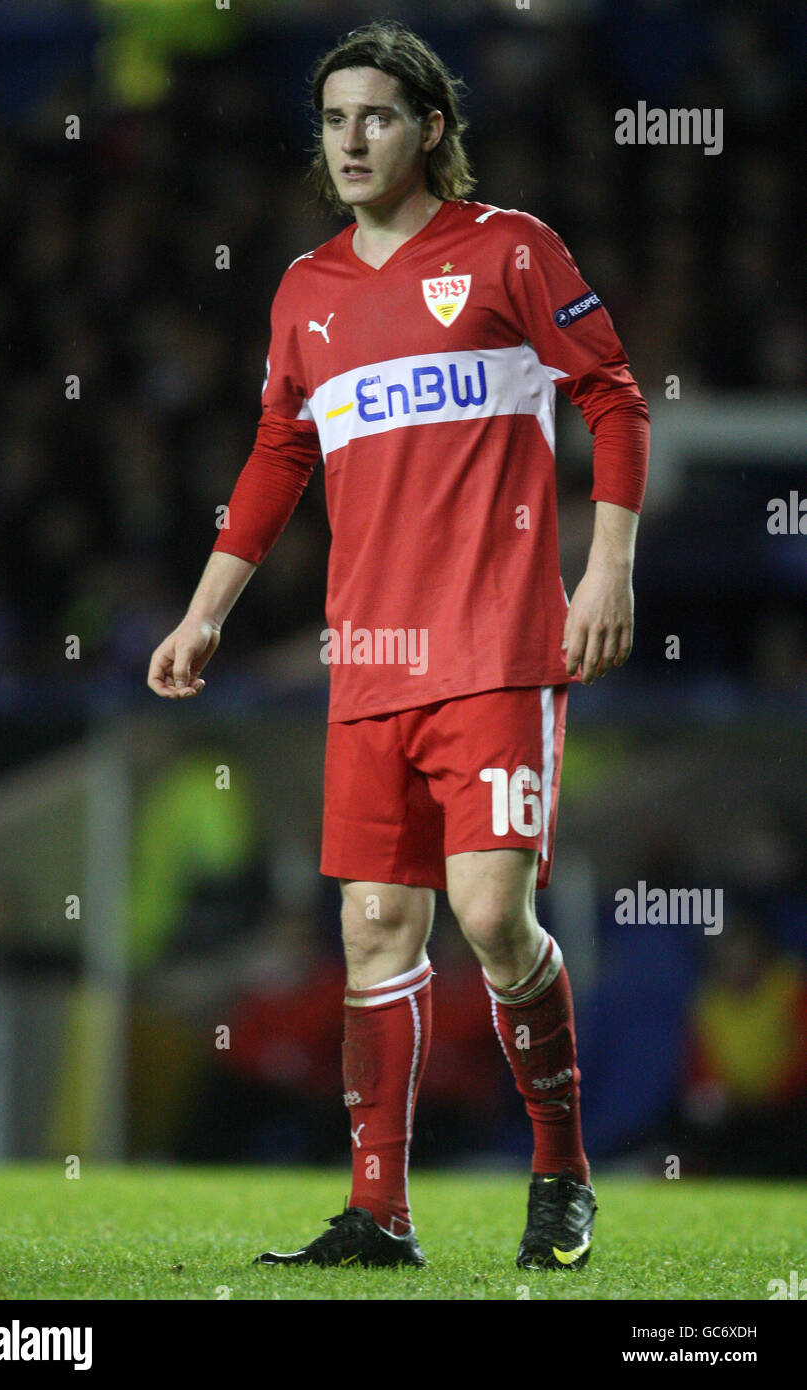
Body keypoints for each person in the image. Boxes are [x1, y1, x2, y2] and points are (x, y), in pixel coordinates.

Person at [147, 21, 649, 1271]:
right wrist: (205, 609)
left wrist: (605, 565)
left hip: (494, 646)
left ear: (430, 127)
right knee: (374, 929)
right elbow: (277, 457)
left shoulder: (507, 250)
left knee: (488, 917)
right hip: (368, 660)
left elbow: (613, 397)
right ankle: (380, 1214)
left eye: (375, 116)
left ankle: (559, 1170)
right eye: (330, 120)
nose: (350, 140)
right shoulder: (306, 291)